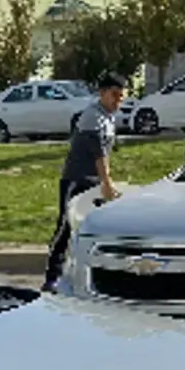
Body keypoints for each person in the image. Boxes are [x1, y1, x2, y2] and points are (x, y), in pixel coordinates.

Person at [42, 71, 126, 293]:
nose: (118, 101)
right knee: (66, 227)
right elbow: (98, 153)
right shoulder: (92, 116)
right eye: (115, 95)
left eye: (121, 97)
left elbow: (107, 153)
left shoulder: (108, 117)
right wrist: (107, 183)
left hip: (95, 181)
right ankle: (52, 276)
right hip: (76, 179)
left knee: (96, 228)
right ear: (102, 93)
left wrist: (106, 180)